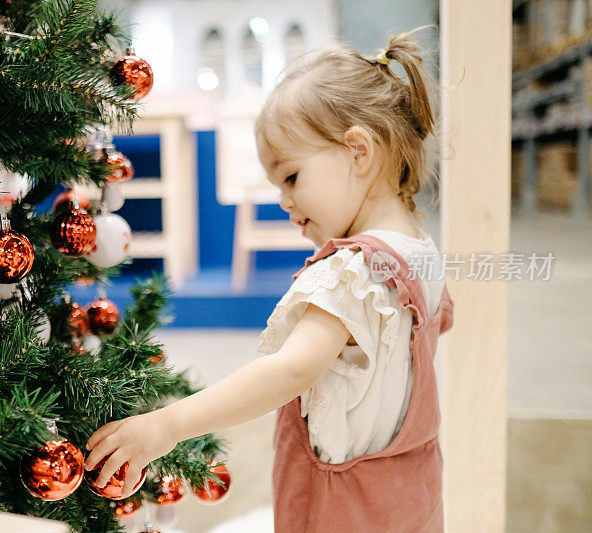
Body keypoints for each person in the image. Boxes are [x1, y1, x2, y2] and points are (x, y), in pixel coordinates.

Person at [85, 26, 455, 532]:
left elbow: (291, 371)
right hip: (409, 500)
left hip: (342, 513)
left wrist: (168, 425)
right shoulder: (418, 255)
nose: (283, 200)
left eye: (292, 177)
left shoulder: (353, 272)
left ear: (358, 152)